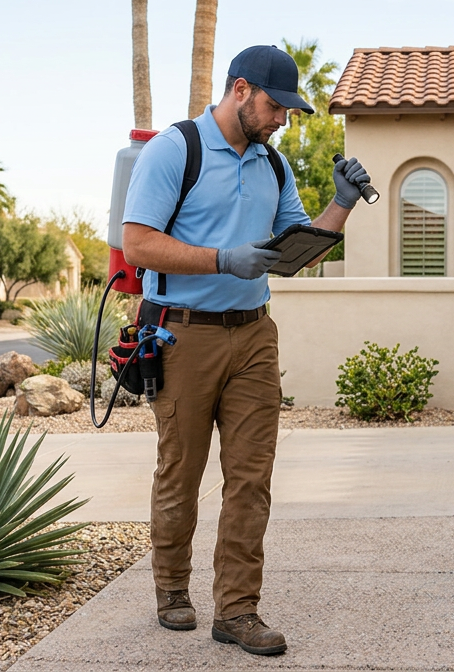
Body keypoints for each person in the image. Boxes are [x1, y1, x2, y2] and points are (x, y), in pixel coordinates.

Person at [119, 44, 369, 656]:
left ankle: (237, 610)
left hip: (255, 334)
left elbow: (294, 251)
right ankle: (172, 590)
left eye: (287, 110)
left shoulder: (272, 165)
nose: (282, 118)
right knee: (181, 471)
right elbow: (137, 244)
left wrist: (341, 204)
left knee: (251, 478)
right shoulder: (176, 150)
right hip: (183, 333)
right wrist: (221, 259)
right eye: (275, 106)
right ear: (240, 90)